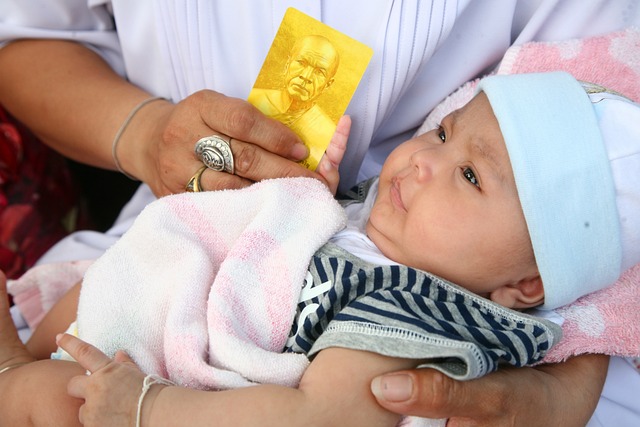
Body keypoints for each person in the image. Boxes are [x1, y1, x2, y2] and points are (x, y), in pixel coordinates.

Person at [0, 1, 638, 425]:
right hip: (165, 265)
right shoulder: (390, 224)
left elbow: (313, 419)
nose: (422, 161)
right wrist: (305, 194)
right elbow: (28, 32)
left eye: (470, 176)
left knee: (54, 401)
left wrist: (147, 408)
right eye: (441, 135)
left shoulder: (415, 309)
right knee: (140, 266)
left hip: (174, 390)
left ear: (527, 285)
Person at [248, 34, 339, 146]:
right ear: (287, 64)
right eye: (301, 63)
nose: (306, 76)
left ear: (327, 85)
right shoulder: (253, 99)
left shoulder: (328, 132)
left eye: (319, 72)